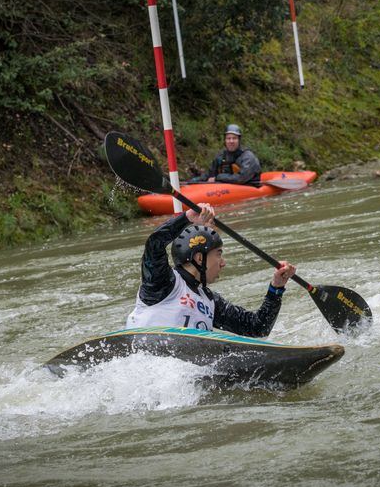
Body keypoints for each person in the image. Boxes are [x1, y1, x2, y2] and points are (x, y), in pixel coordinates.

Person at [126, 203, 296, 337]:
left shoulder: (210, 301)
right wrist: (187, 218)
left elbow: (258, 328)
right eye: (218, 255)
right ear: (200, 258)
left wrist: (277, 288)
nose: (223, 263)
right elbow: (154, 244)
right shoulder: (162, 283)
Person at [189, 124, 261, 186]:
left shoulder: (248, 157)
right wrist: (195, 181)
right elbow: (210, 174)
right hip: (227, 187)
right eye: (228, 138)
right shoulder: (221, 155)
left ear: (239, 140)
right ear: (225, 140)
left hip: (248, 186)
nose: (231, 141)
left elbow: (241, 178)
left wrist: (218, 177)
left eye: (234, 138)